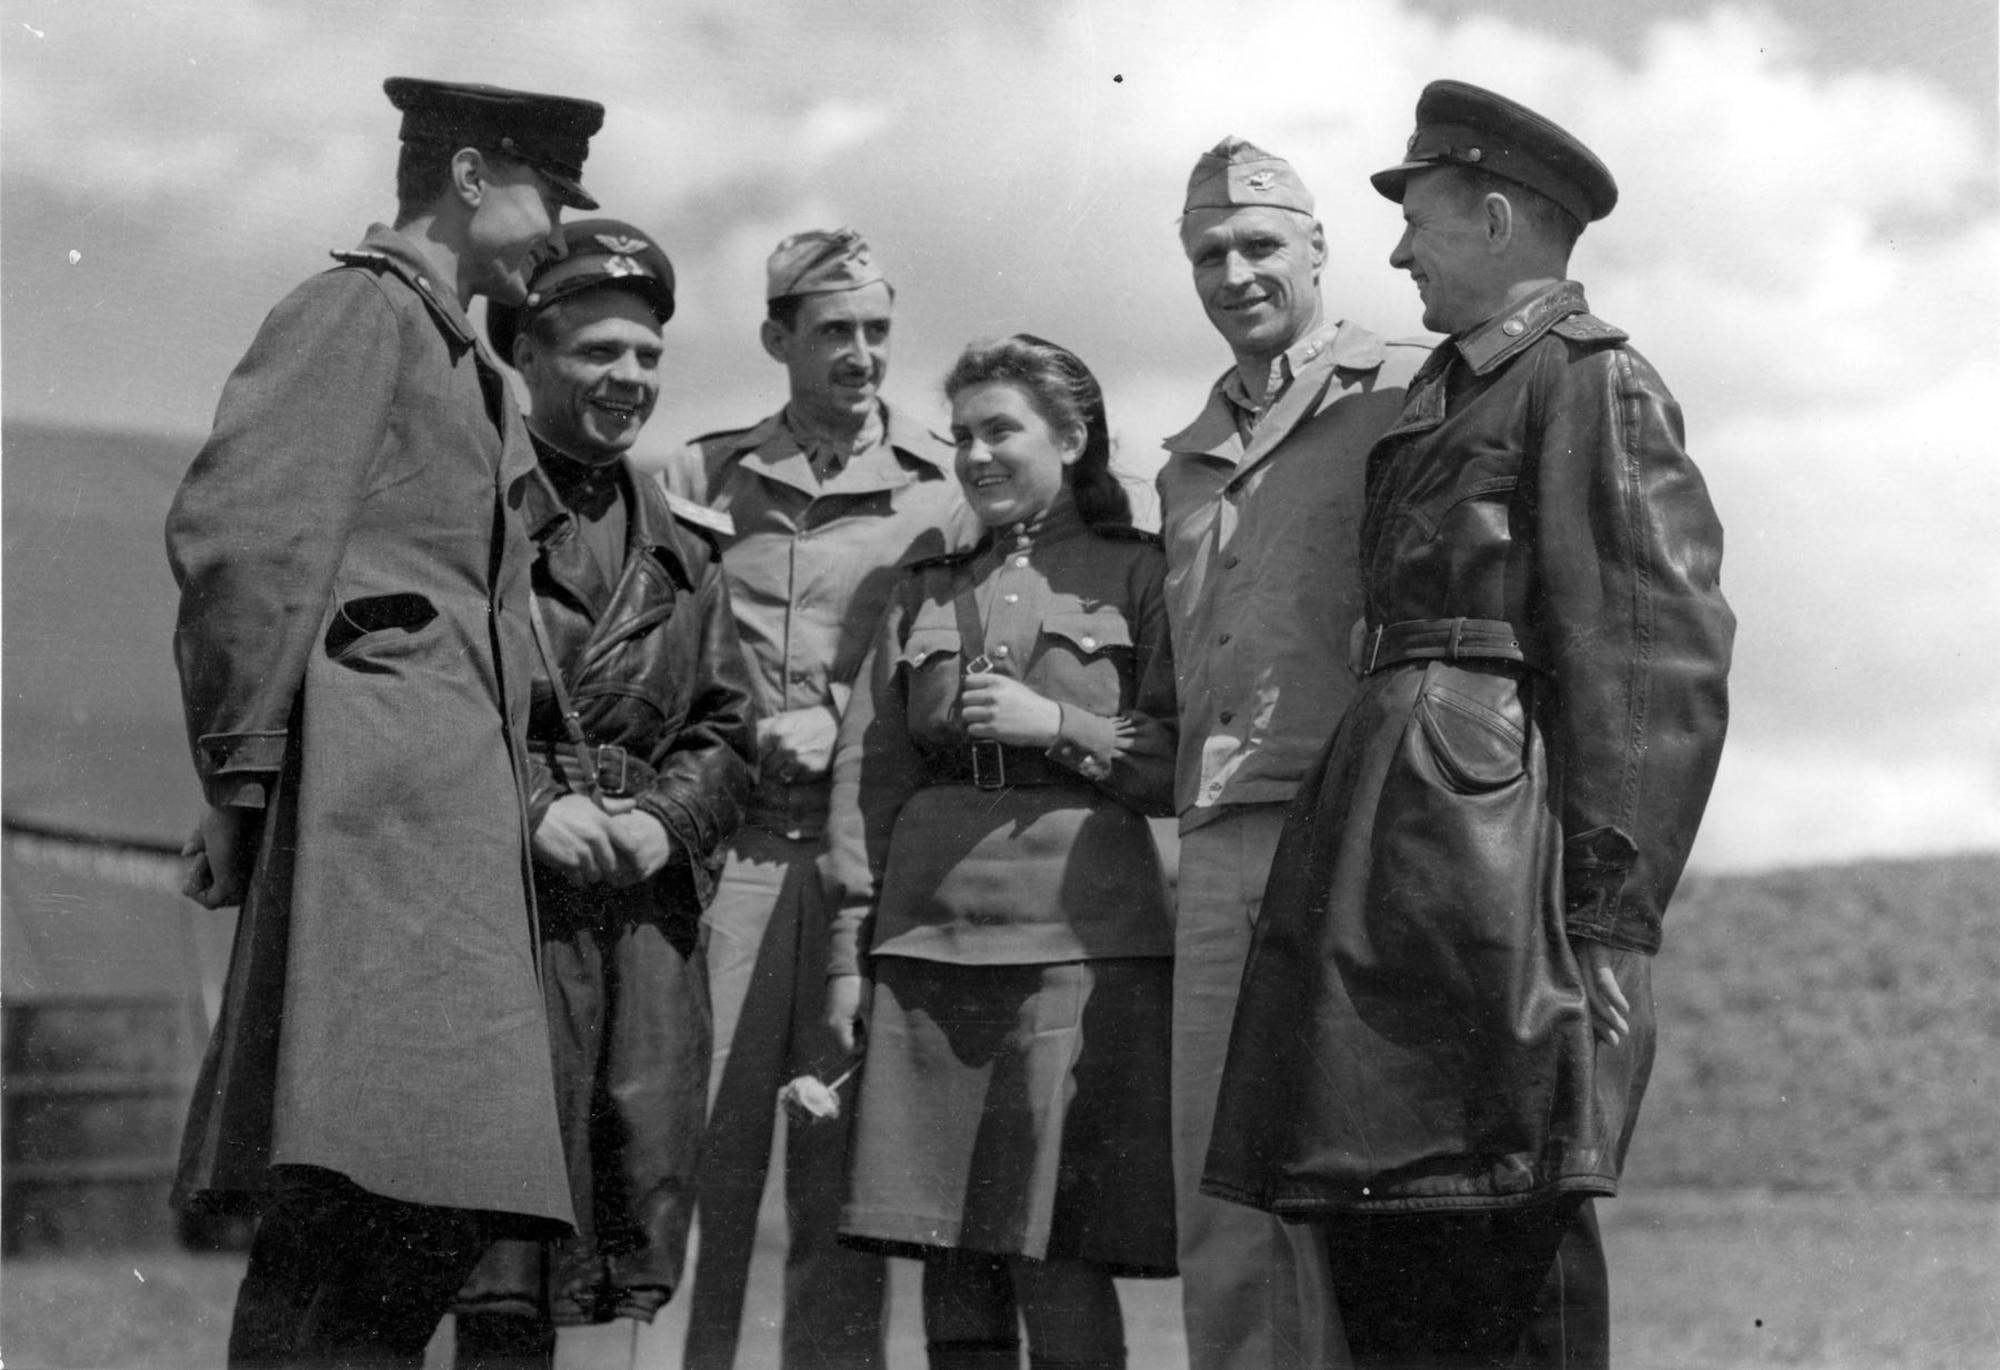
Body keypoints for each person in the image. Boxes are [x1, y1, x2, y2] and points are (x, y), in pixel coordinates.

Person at [1203, 81, 1736, 1368]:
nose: (1395, 253)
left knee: (1503, 1221)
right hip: (1398, 859)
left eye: (1421, 220)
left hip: (1499, 888)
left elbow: (1651, 670)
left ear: (1496, 218)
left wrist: (1606, 926)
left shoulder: (1585, 385)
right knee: (1388, 1215)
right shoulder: (1449, 391)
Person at [165, 77, 603, 1367]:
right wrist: (243, 780)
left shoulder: (458, 357)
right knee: (367, 1192)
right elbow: (244, 541)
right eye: (545, 199)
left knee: (428, 1194)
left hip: (439, 835)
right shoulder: (356, 313)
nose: (557, 236)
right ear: (466, 176)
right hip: (373, 836)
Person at [822, 335, 1178, 1370]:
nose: (976, 454)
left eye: (1001, 429)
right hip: (927, 943)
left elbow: (1173, 758)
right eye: (961, 434)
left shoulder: (1136, 570)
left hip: (1076, 938)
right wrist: (850, 952)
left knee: (1054, 1244)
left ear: (1069, 437)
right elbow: (868, 775)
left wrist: (1052, 721)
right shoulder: (921, 587)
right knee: (945, 1245)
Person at [444, 220, 758, 1368]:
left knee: (612, 1234)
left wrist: (661, 819)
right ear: (526, 357)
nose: (629, 378)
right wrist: (529, 804)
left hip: (637, 923)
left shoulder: (685, 543)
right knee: (490, 1246)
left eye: (646, 355)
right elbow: (423, 697)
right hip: (502, 910)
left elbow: (728, 725)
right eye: (597, 352)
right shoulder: (465, 511)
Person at [663, 228, 971, 1370]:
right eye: (833, 330)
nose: (860, 354)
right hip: (733, 864)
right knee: (696, 1165)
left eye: (877, 331)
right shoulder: (703, 478)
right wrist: (749, 730)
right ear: (775, 337)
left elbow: (953, 661)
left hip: (864, 871)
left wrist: (841, 713)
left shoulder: (944, 492)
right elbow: (669, 655)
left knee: (840, 1185)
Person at [1155, 137, 1430, 1369]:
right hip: (1218, 843)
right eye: (1207, 252)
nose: (1234, 270)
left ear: (1318, 247)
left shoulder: (1413, 387)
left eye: (1259, 243)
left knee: (1355, 1181)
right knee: (1219, 1190)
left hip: (1358, 828)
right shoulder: (1184, 459)